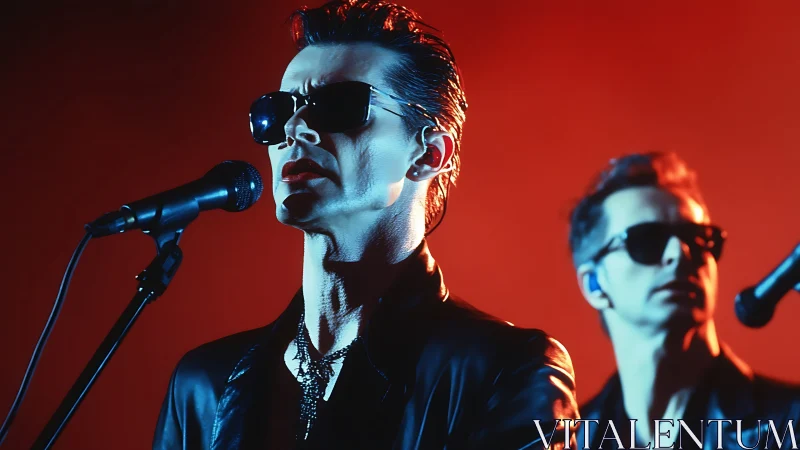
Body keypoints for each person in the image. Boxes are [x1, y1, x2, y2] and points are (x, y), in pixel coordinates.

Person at [153, 1, 578, 448]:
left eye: (340, 105)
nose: (296, 127)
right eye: (277, 112)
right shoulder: (204, 383)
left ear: (429, 154)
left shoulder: (505, 369)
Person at [568, 151, 800, 449]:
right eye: (646, 240)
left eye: (699, 238)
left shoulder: (790, 423)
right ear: (594, 283)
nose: (680, 254)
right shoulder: (565, 442)